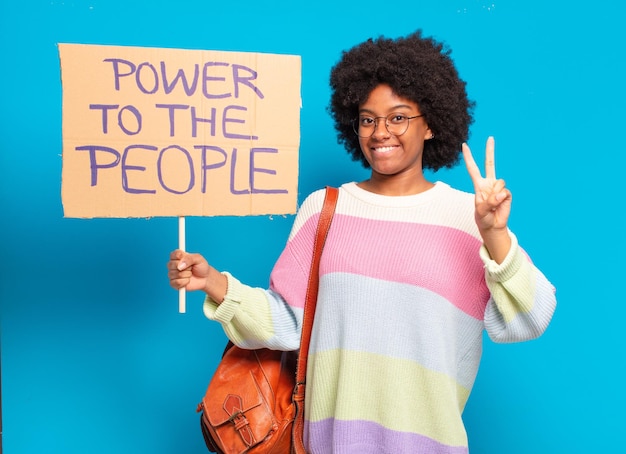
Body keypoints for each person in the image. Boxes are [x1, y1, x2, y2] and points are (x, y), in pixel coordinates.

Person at [167, 30, 557, 454]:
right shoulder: (324, 209)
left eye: (398, 116)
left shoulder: (470, 219)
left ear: (430, 124)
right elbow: (287, 322)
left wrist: (496, 234)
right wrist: (214, 283)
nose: (380, 132)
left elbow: (530, 319)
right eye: (368, 118)